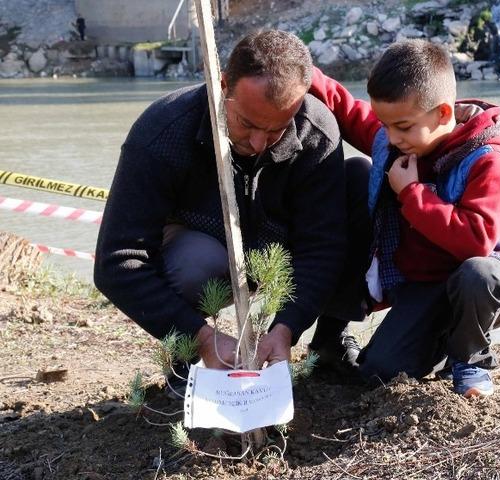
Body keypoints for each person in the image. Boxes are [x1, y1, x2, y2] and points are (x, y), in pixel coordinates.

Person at [94, 30, 364, 382]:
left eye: (276, 130)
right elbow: (117, 262)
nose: (258, 143)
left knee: (360, 177)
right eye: (247, 124)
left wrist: (286, 328)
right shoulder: (161, 133)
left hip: (277, 247)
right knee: (195, 261)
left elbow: (322, 248)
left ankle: (329, 344)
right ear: (223, 85)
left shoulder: (317, 131)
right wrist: (200, 337)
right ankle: (188, 361)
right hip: (202, 249)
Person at [309, 40, 500, 397]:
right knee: (379, 373)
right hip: (426, 283)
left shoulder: (488, 160)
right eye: (385, 125)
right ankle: (438, 342)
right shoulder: (398, 136)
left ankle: (471, 362)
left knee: (476, 276)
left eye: (401, 127)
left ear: (444, 114)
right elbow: (348, 109)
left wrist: (412, 194)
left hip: (487, 276)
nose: (391, 137)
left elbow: (473, 241)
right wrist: (302, 72)